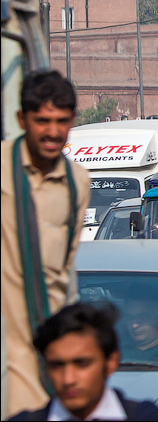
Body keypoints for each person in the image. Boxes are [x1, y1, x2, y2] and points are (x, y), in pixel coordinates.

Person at [1, 70, 91, 418]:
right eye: (42, 121)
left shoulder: (76, 184)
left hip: (44, 363)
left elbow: (63, 274)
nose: (53, 132)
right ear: (22, 119)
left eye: (61, 121)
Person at [9, 302, 158, 421]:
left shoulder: (146, 417)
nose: (68, 379)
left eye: (82, 364)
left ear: (111, 361)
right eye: (57, 365)